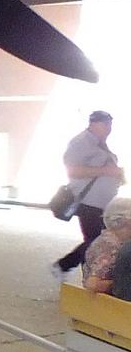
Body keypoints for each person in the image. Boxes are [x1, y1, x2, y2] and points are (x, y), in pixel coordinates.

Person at [57, 110, 122, 277]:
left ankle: (74, 269)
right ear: (93, 124)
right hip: (88, 201)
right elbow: (73, 170)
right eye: (105, 124)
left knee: (96, 240)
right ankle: (68, 268)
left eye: (110, 124)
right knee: (94, 241)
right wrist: (106, 171)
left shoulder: (99, 143)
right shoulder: (81, 142)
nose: (109, 128)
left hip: (102, 202)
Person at [80, 197, 131, 294]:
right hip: (109, 302)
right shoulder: (110, 247)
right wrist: (121, 284)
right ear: (127, 223)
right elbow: (93, 284)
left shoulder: (104, 238)